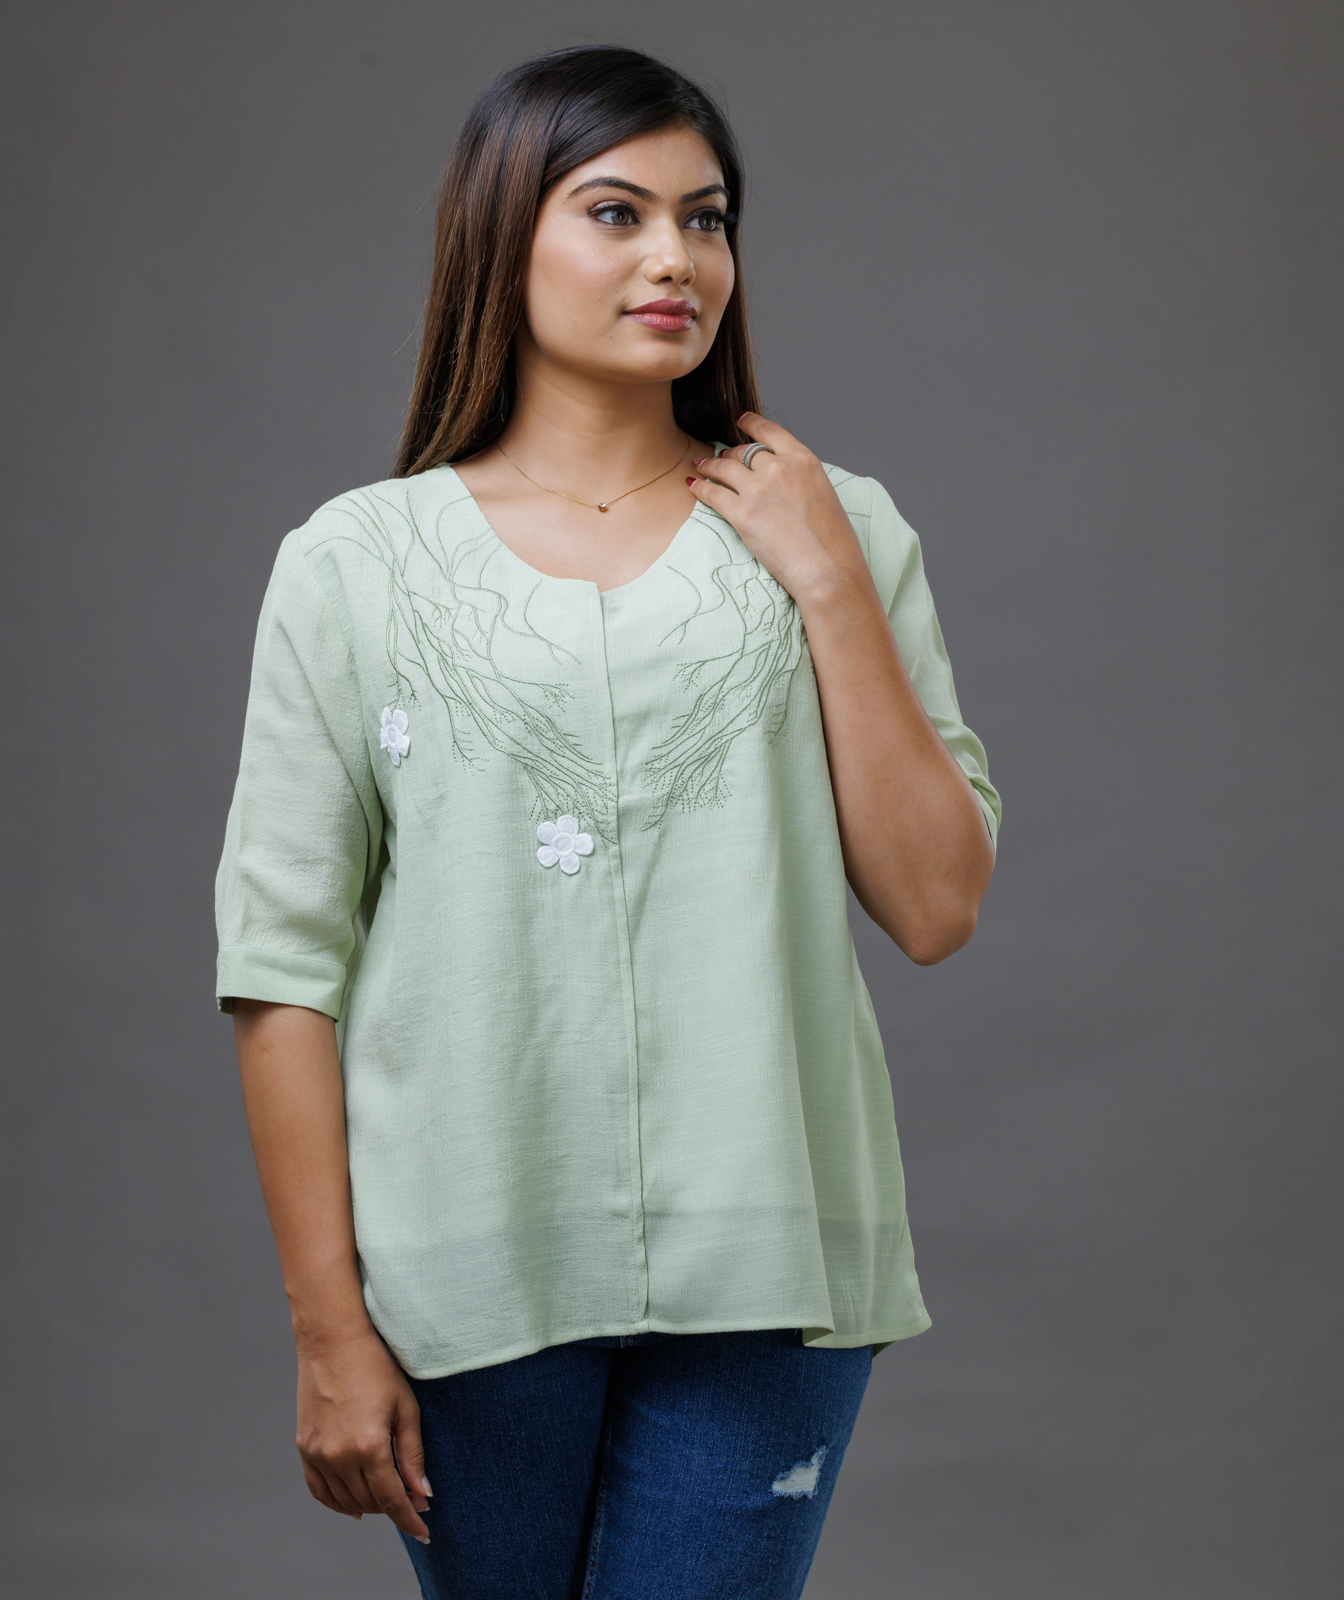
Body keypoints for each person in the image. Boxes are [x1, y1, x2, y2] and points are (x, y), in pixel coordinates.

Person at [215, 43, 1000, 1600]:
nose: (675, 258)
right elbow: (283, 965)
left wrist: (825, 576)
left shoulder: (841, 526)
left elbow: (935, 904)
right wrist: (327, 1327)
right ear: (501, 235)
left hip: (770, 1262)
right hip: (464, 1267)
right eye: (617, 212)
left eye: (706, 220)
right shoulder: (355, 564)